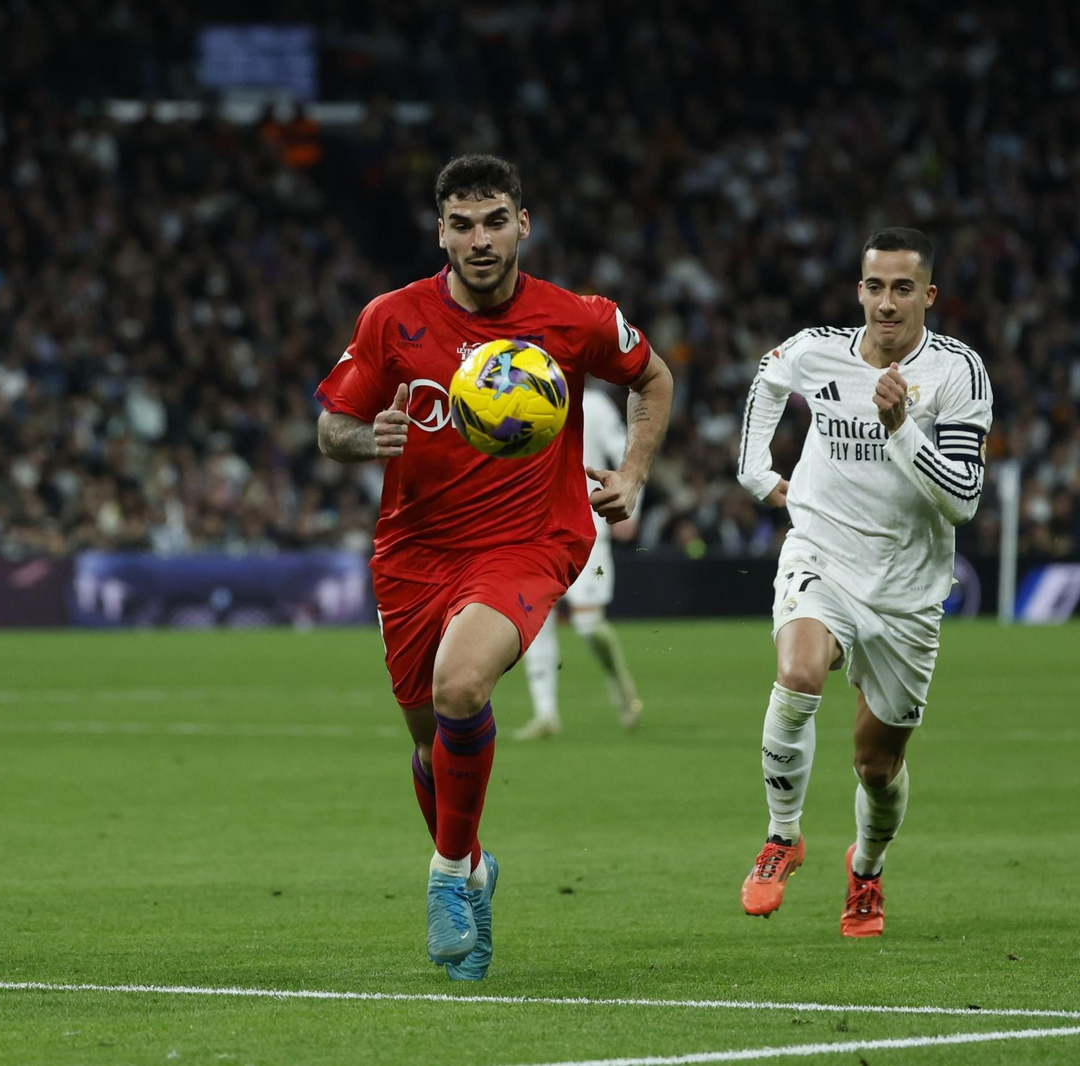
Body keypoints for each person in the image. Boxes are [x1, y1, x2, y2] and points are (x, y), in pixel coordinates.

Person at [315, 154, 672, 979]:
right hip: (413, 552)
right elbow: (333, 422)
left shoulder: (576, 318)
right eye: (463, 224)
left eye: (495, 221)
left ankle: (444, 877)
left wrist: (635, 473)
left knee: (461, 688)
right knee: (427, 745)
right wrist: (369, 439)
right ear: (441, 231)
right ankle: (474, 865)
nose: (480, 240)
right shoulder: (391, 319)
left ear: (523, 225)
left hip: (530, 538)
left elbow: (653, 378)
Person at [735, 228, 991, 937]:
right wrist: (756, 473)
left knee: (876, 768)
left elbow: (963, 498)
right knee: (799, 672)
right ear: (859, 290)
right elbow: (769, 375)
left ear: (928, 295)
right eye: (875, 286)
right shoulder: (818, 349)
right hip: (823, 551)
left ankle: (867, 869)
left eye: (903, 287)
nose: (886, 301)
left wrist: (902, 426)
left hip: (907, 590)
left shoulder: (957, 374)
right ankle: (783, 836)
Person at [515, 386, 643, 738]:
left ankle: (619, 681)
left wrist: (631, 501)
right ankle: (546, 714)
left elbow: (625, 453)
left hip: (585, 527)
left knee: (588, 624)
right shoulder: (519, 399)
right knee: (535, 621)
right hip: (535, 529)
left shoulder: (594, 405)